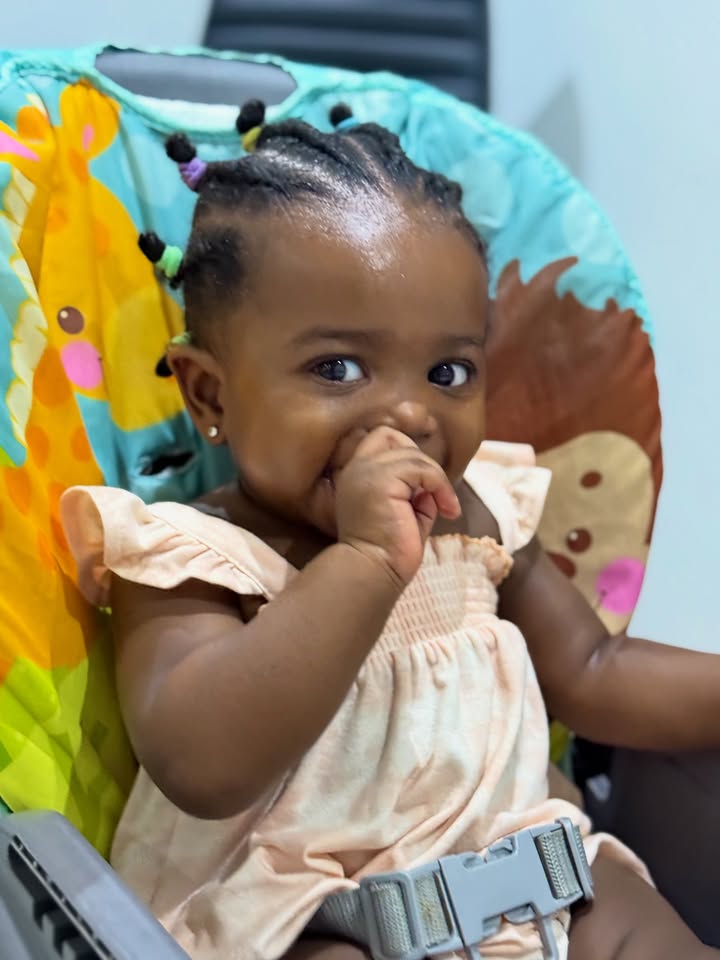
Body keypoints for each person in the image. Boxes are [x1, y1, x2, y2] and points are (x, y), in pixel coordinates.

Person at [60, 100, 720, 960]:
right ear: (211, 394)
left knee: (639, 917)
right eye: (337, 367)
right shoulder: (192, 559)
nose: (411, 413)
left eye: (449, 372)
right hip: (312, 920)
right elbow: (203, 764)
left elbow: (594, 672)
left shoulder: (477, 515)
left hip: (536, 880)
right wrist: (367, 560)